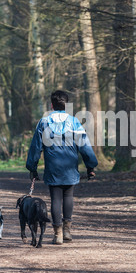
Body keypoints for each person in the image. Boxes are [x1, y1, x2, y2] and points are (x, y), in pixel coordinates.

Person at [26, 90, 98, 244]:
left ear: (51, 105)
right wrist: (91, 165)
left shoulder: (44, 122)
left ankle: (57, 234)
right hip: (70, 166)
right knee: (68, 196)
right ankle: (67, 231)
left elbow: (36, 147)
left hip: (53, 167)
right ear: (66, 105)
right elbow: (84, 145)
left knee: (55, 198)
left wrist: (32, 167)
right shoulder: (74, 122)